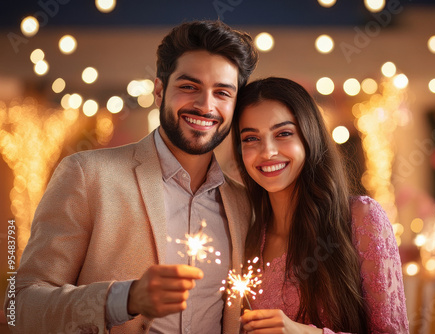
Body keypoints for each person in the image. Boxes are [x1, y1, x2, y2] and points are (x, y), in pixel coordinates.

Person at [6, 20, 258, 333]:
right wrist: (124, 299)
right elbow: (21, 307)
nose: (206, 105)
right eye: (189, 87)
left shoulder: (246, 203)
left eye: (222, 92)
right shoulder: (88, 175)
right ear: (159, 91)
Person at [232, 77, 409, 333]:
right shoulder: (246, 233)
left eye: (283, 133)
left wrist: (304, 332)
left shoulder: (361, 218)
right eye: (250, 138)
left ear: (309, 137)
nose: (267, 151)